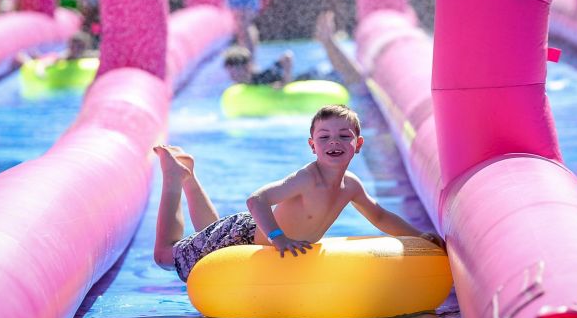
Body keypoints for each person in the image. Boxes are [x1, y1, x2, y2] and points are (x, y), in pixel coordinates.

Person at [152, 105, 446, 282]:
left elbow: (380, 215)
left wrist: (417, 237)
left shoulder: (351, 186)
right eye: (324, 137)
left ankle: (189, 177)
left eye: (344, 136)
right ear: (312, 145)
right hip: (246, 235)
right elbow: (257, 199)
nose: (335, 142)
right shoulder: (308, 178)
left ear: (358, 144)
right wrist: (279, 238)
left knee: (207, 233)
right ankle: (174, 179)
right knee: (165, 255)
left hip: (252, 232)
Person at [222, 45, 293, 86]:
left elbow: (287, 56)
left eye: (235, 71)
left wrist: (285, 81)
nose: (231, 75)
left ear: (246, 67)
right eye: (229, 71)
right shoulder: (240, 84)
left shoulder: (261, 78)